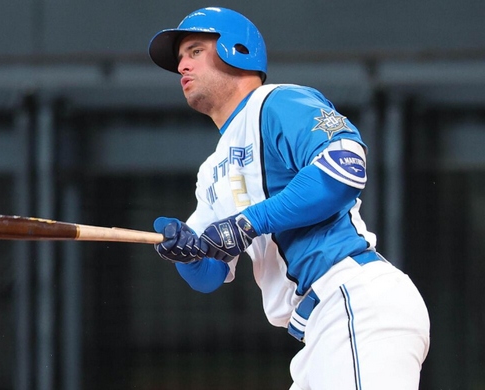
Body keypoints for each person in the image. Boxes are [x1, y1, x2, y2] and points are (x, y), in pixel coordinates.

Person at [148, 7, 430, 390]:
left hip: (355, 301)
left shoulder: (275, 103)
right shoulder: (211, 170)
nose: (182, 65)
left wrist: (249, 222)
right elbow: (210, 274)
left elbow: (345, 167)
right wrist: (184, 251)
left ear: (238, 50)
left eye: (195, 51)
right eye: (180, 59)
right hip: (318, 331)